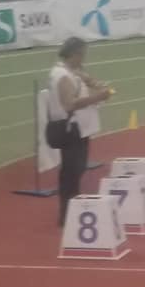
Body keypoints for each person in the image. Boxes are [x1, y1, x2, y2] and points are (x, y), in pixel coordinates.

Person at [48, 38, 114, 227]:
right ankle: (66, 214)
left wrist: (97, 84)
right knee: (71, 171)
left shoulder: (70, 71)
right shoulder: (62, 76)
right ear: (74, 54)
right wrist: (98, 97)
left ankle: (71, 209)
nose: (83, 58)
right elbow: (69, 104)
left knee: (77, 169)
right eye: (82, 55)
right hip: (71, 130)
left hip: (78, 129)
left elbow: (87, 79)